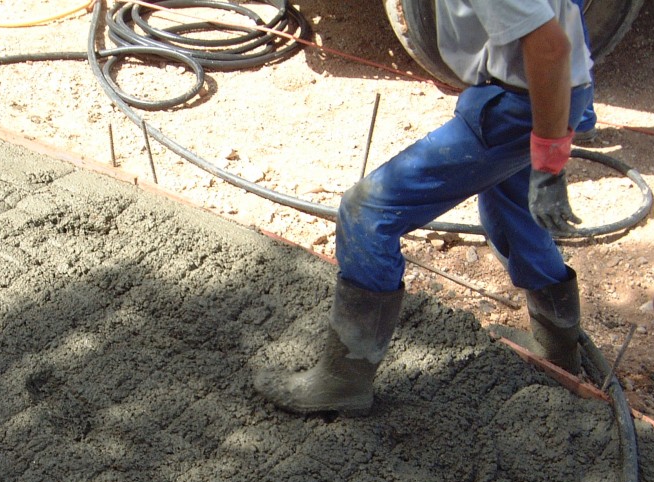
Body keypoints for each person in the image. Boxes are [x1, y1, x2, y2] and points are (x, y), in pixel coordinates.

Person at [255, 0, 595, 415]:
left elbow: (549, 47)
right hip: (540, 92)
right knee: (510, 210)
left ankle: (343, 381)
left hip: (521, 105)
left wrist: (549, 160)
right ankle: (556, 345)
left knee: (368, 211)